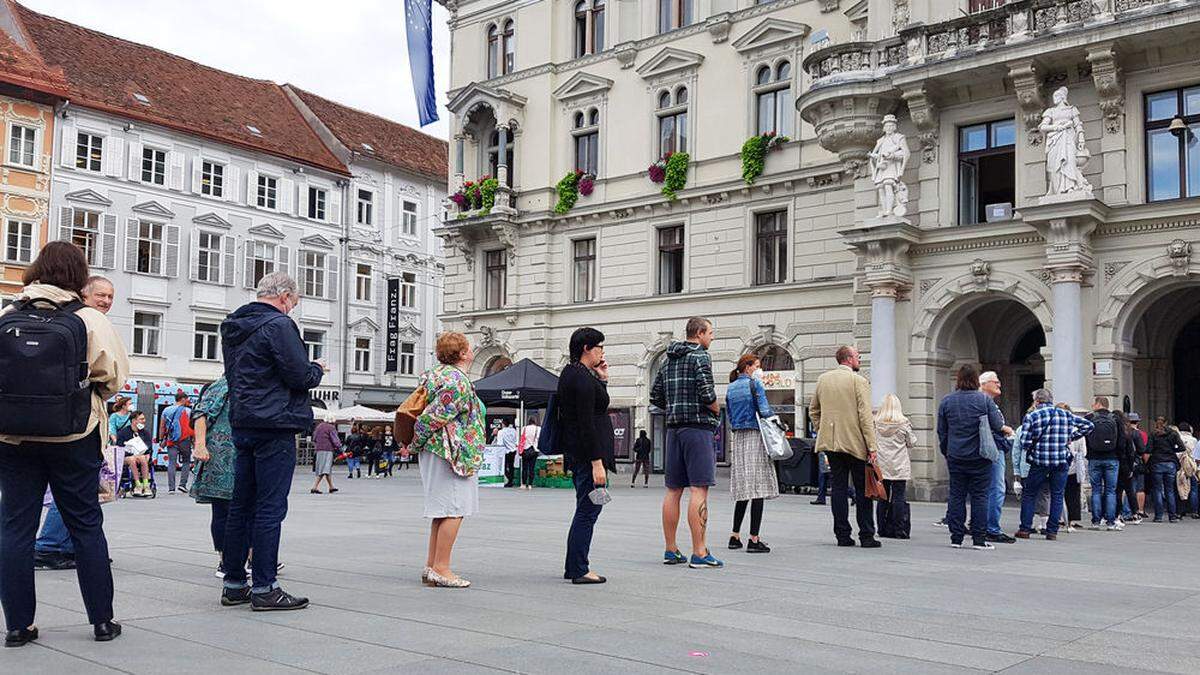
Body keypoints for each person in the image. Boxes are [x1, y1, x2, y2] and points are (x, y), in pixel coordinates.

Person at [0, 241, 129, 645]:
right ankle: (102, 622)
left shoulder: (7, 313)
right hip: (74, 432)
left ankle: (19, 626)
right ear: (78, 276)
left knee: (15, 527)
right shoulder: (89, 317)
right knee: (85, 524)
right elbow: (114, 377)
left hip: (14, 435)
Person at [219, 272, 326, 611]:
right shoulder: (279, 326)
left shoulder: (233, 325)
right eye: (292, 303)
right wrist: (317, 368)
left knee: (241, 506)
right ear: (283, 296)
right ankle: (265, 586)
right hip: (275, 422)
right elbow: (298, 375)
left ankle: (234, 583)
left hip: (244, 420)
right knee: (269, 507)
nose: (291, 309)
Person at [413, 332, 486, 588]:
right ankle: (442, 568)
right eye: (469, 347)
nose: (472, 350)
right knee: (455, 508)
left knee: (441, 510)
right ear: (463, 353)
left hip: (440, 450)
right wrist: (416, 440)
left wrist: (416, 443)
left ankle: (432, 566)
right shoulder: (456, 380)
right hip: (451, 451)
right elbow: (435, 416)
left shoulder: (436, 374)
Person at [651, 317, 723, 569]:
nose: (712, 337)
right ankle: (699, 552)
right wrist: (716, 409)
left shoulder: (666, 359)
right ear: (700, 333)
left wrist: (674, 407)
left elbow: (656, 396)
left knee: (673, 490)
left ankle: (671, 550)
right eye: (711, 333)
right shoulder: (701, 356)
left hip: (674, 429)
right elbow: (707, 393)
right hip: (698, 428)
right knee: (699, 489)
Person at [557, 327, 614, 584]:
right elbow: (586, 422)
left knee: (586, 508)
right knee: (587, 511)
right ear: (586, 348)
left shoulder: (574, 374)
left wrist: (601, 378)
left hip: (579, 453)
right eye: (599, 346)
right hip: (587, 455)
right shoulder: (580, 378)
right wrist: (597, 463)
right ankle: (579, 568)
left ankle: (574, 566)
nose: (602, 351)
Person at [810, 345, 880, 549]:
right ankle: (866, 535)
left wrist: (822, 429)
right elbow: (865, 417)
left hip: (830, 443)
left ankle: (842, 535)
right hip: (855, 442)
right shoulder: (859, 381)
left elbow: (814, 410)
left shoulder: (823, 379)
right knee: (863, 490)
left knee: (838, 488)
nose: (860, 359)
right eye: (858, 356)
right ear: (849, 359)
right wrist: (872, 447)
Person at [937, 365, 1008, 550]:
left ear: (958, 379)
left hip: (955, 455)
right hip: (980, 456)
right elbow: (997, 424)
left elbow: (942, 431)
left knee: (957, 495)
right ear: (976, 381)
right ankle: (978, 538)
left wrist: (947, 451)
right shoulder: (984, 400)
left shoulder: (947, 401)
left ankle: (956, 537)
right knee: (980, 496)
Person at [1015, 389, 1093, 540]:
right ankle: (1052, 531)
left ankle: (1025, 529)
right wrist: (1070, 436)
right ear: (1051, 400)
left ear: (1037, 401)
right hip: (1060, 461)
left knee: (1030, 494)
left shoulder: (1032, 416)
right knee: (1057, 494)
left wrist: (1035, 444)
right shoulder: (1065, 414)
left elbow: (1024, 442)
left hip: (1040, 461)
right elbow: (1088, 426)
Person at [725, 355, 778, 553]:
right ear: (747, 367)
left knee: (743, 488)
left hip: (738, 438)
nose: (759, 369)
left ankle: (734, 535)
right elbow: (764, 411)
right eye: (757, 366)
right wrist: (779, 423)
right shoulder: (755, 384)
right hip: (756, 436)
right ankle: (754, 539)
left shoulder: (730, 388)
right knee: (758, 488)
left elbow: (729, 415)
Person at [188, 378, 240, 578]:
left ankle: (251, 557)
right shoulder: (223, 385)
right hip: (221, 457)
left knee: (247, 510)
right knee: (223, 511)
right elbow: (201, 413)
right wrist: (200, 445)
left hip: (240, 455)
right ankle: (225, 560)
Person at [979, 372, 1016, 544]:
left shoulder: (986, 402)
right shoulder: (984, 402)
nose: (999, 385)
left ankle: (982, 524)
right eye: (996, 382)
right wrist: (1006, 431)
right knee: (997, 488)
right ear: (984, 383)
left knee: (988, 489)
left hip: (991, 448)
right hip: (993, 450)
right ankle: (991, 528)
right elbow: (994, 427)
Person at [874, 394, 915, 540]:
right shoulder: (903, 423)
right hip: (899, 464)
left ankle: (882, 528)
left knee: (883, 497)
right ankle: (899, 529)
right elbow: (911, 442)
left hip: (882, 464)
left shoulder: (876, 424)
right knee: (899, 497)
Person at [1084, 397, 1128, 531]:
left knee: (1096, 489)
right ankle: (1110, 521)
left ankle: (1096, 521)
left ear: (1098, 404)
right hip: (1112, 458)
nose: (1092, 405)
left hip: (1094, 458)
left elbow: (1085, 437)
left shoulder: (1089, 418)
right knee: (1110, 491)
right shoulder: (1115, 418)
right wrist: (1119, 456)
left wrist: (1089, 453)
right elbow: (1122, 441)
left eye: (1094, 403)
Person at [1145, 416, 1184, 523]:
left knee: (1157, 490)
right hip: (1170, 462)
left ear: (1156, 423)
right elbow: (1182, 447)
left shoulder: (1153, 434)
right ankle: (1172, 516)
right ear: (1166, 422)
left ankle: (1158, 516)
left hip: (1157, 462)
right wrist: (1172, 450)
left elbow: (1148, 449)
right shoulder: (1173, 433)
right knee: (1170, 490)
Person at [1058, 403, 1087, 530]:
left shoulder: (1055, 428)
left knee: (1057, 493)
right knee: (1073, 494)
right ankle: (1071, 520)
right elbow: (1084, 451)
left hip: (1058, 465)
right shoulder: (1076, 430)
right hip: (1074, 466)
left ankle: (1059, 519)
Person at [159, 391, 194, 493]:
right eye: (187, 399)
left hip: (171, 439)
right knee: (186, 461)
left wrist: (161, 439)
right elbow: (191, 426)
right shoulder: (188, 411)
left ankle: (171, 488)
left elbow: (162, 426)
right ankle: (182, 485)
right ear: (183, 399)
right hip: (185, 440)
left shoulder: (166, 410)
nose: (188, 401)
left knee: (171, 463)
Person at [1113, 411, 1141, 524]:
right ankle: (1135, 513)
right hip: (1126, 465)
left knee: (1118, 491)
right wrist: (1130, 467)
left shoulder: (1114, 431)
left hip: (1116, 463)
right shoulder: (1128, 432)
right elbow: (1131, 452)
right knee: (1130, 490)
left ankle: (1118, 514)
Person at [116, 411, 153, 497]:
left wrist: (147, 453)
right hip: (127, 457)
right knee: (132, 459)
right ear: (134, 421)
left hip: (142, 456)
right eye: (141, 419)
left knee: (143, 458)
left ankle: (146, 485)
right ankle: (137, 485)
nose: (144, 421)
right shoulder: (123, 433)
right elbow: (120, 447)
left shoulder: (145, 433)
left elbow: (149, 447)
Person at [310, 414, 341, 494]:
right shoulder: (331, 428)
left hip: (319, 449)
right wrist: (339, 447)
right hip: (327, 450)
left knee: (324, 468)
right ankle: (314, 487)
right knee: (325, 469)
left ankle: (331, 487)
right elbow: (335, 439)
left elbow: (314, 438)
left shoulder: (319, 426)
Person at [1128, 413, 1149, 519]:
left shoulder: (1124, 432)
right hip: (1138, 462)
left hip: (1126, 463)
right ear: (1138, 422)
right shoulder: (1141, 434)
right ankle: (1139, 510)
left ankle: (1127, 511)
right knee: (1140, 488)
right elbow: (1143, 450)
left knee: (1128, 488)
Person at [1180, 423, 1199, 518]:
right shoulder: (1194, 440)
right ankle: (1194, 511)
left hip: (1181, 466)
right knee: (1194, 489)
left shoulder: (1178, 437)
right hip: (1192, 465)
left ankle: (1181, 510)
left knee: (1181, 487)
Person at [519, 416, 540, 490]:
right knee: (532, 468)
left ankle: (524, 484)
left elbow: (522, 439)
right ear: (535, 421)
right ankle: (530, 484)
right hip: (534, 450)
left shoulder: (524, 428)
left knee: (525, 468)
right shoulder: (538, 429)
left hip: (525, 449)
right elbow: (539, 439)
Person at [497, 418, 518, 488]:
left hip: (506, 451)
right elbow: (516, 440)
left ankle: (509, 479)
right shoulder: (514, 431)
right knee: (511, 466)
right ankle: (511, 480)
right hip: (513, 450)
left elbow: (499, 443)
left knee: (504, 466)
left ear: (503, 424)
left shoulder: (501, 432)